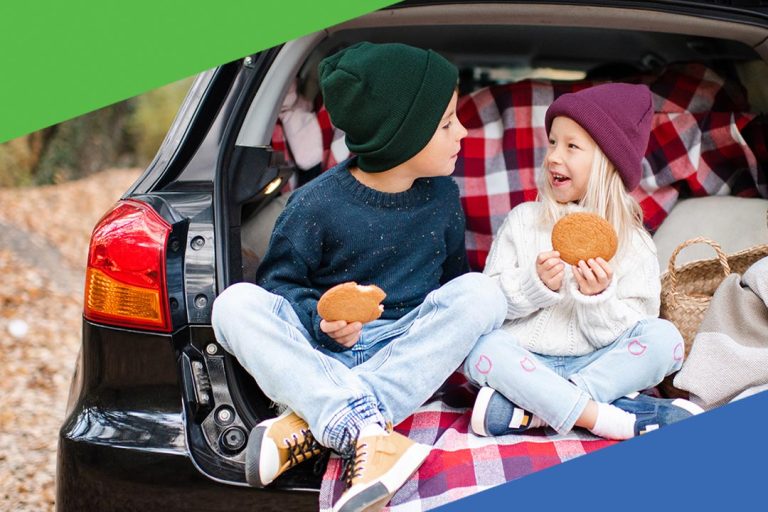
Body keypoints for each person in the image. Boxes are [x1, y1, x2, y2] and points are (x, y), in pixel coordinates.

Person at [212, 42, 506, 512]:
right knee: (233, 305)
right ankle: (369, 431)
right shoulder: (313, 205)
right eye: (448, 122)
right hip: (323, 353)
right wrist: (321, 322)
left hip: (405, 355)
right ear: (401, 137)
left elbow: (453, 291)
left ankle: (314, 423)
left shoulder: (443, 197)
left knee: (482, 295)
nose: (464, 133)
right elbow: (279, 290)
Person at [463, 83, 703, 441]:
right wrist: (536, 286)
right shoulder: (524, 220)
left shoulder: (634, 242)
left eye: (572, 146)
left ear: (608, 162)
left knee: (665, 339)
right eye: (553, 142)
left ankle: (535, 410)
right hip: (526, 360)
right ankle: (601, 415)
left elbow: (637, 328)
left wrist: (598, 300)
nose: (554, 157)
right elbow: (490, 304)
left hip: (600, 365)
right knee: (479, 346)